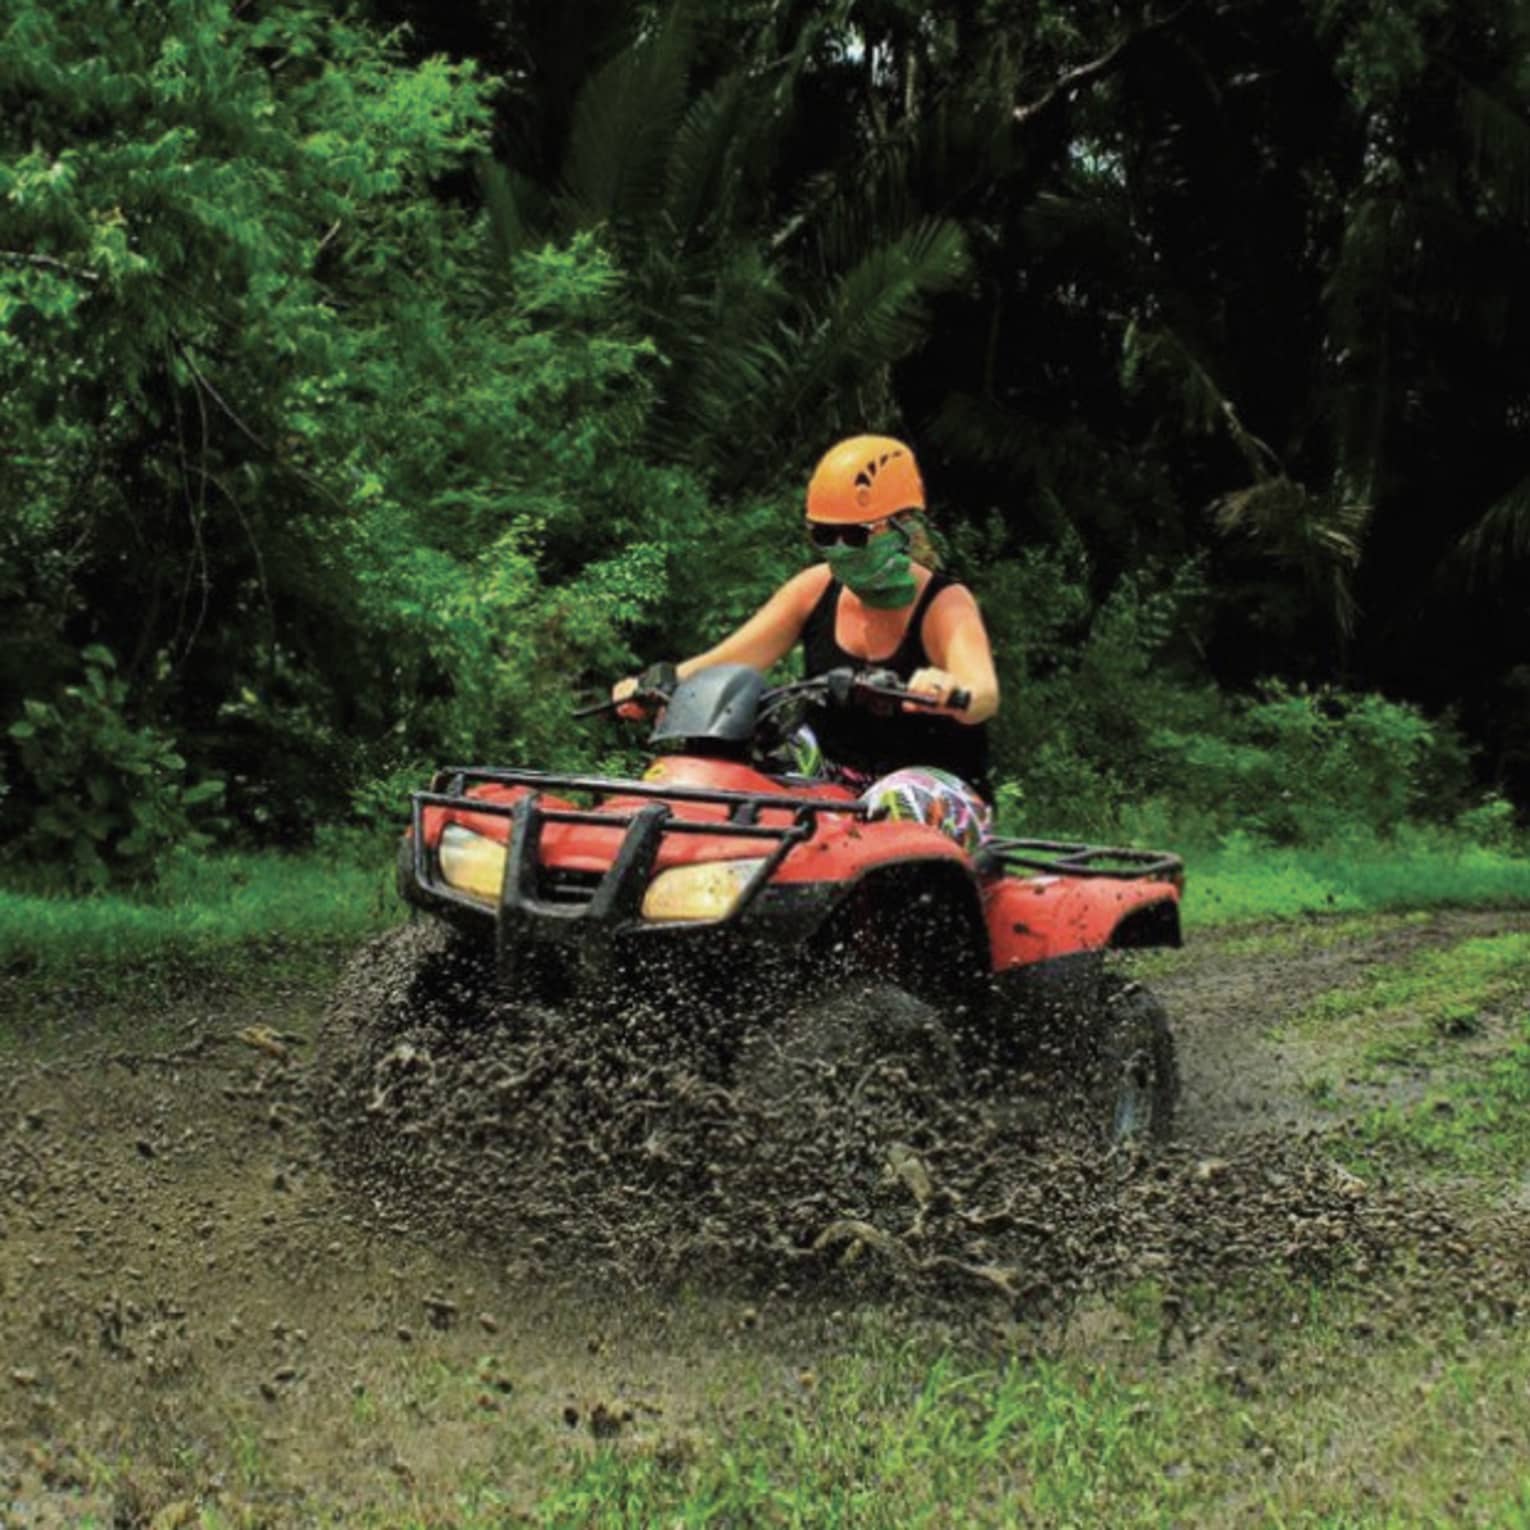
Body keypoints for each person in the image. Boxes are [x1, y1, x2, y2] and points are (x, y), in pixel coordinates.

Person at [613, 435, 1000, 850]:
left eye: (853, 535)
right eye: (823, 534)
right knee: (749, 748)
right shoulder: (814, 590)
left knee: (894, 799)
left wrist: (949, 691)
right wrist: (654, 685)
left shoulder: (943, 603)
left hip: (935, 789)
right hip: (831, 783)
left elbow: (983, 692)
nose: (837, 549)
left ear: (902, 527)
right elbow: (729, 658)